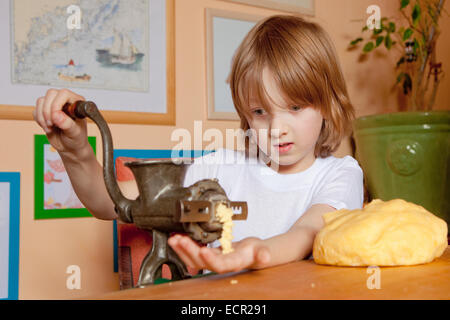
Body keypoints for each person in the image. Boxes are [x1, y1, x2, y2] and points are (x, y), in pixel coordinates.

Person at [33, 15, 363, 276]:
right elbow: (110, 204)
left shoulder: (340, 173)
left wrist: (255, 252)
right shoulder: (218, 168)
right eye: (260, 112)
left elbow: (309, 231)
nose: (277, 128)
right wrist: (76, 153)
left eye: (295, 107)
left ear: (327, 103)